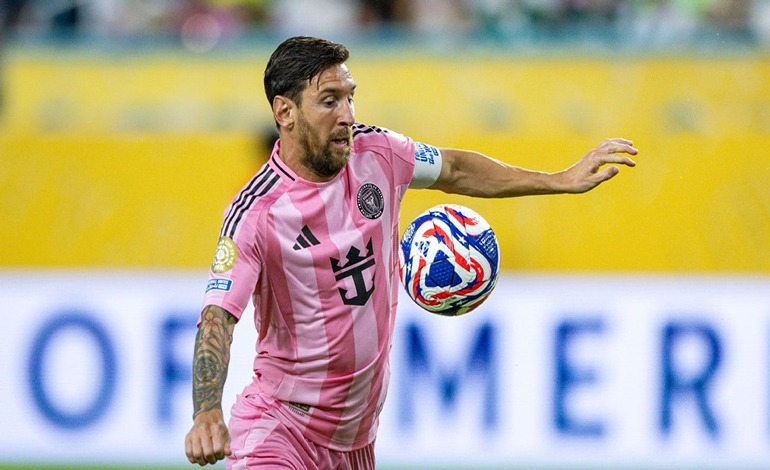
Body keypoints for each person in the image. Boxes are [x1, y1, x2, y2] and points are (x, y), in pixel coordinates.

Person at [184, 36, 638, 469]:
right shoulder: (256, 211)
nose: (347, 115)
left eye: (350, 98)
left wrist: (559, 180)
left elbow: (455, 168)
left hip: (356, 441)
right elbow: (218, 317)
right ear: (285, 111)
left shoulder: (378, 153)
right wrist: (206, 412)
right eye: (329, 101)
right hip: (280, 429)